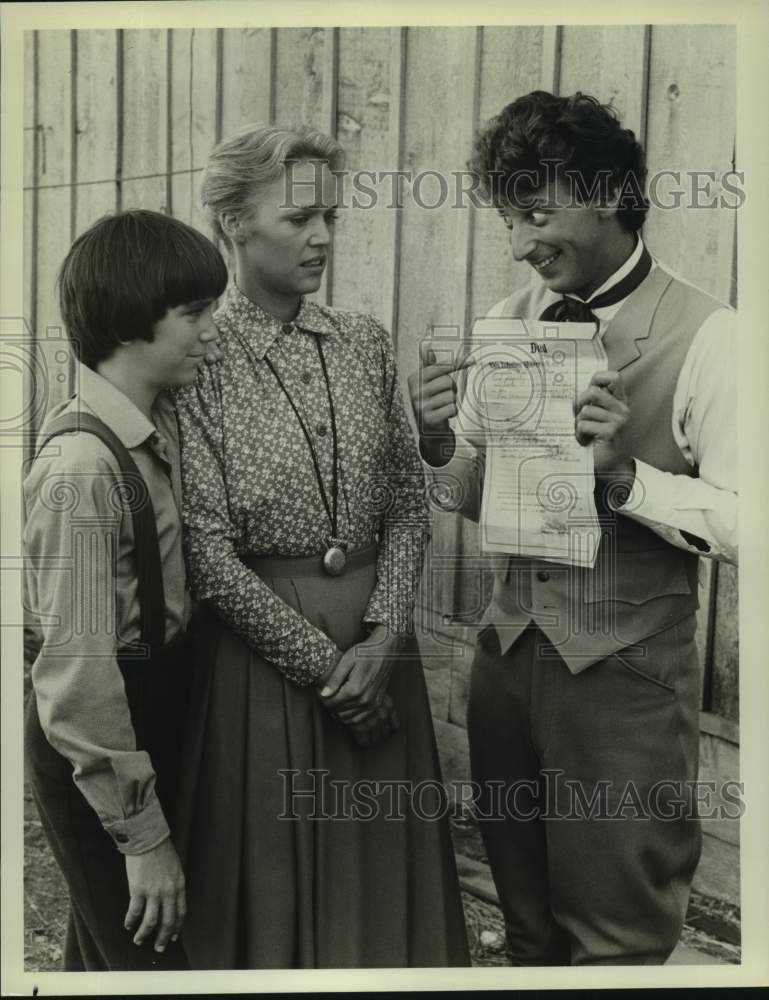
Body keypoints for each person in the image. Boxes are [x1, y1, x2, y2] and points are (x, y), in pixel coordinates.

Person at [408, 91, 737, 965]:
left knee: (615, 943)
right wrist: (438, 444)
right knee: (528, 933)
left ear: (605, 192)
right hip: (506, 663)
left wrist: (624, 476)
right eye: (510, 217)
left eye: (537, 212)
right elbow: (482, 495)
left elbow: (750, 524)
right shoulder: (502, 324)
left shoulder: (716, 338)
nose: (519, 242)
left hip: (623, 684)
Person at [172, 123, 469, 969]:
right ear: (233, 222)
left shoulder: (364, 341)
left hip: (381, 655)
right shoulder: (200, 355)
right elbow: (205, 552)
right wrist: (327, 668)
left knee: (383, 905)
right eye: (299, 218)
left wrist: (382, 641)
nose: (322, 238)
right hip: (267, 668)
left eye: (331, 217)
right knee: (275, 887)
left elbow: (408, 502)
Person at [23, 210, 227, 971]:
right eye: (195, 313)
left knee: (103, 951)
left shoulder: (153, 424)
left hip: (154, 715)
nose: (214, 329)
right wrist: (142, 838)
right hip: (100, 744)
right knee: (148, 955)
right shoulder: (81, 467)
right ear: (131, 321)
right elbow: (76, 677)